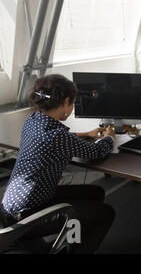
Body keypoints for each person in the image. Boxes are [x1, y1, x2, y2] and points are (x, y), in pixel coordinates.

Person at [0, 74, 116, 253]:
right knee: (105, 213)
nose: (72, 107)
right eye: (73, 103)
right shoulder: (57, 137)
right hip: (26, 216)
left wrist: (86, 134)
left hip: (13, 206)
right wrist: (108, 137)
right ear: (66, 101)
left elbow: (59, 139)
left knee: (96, 192)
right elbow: (96, 152)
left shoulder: (33, 120)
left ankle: (71, 239)